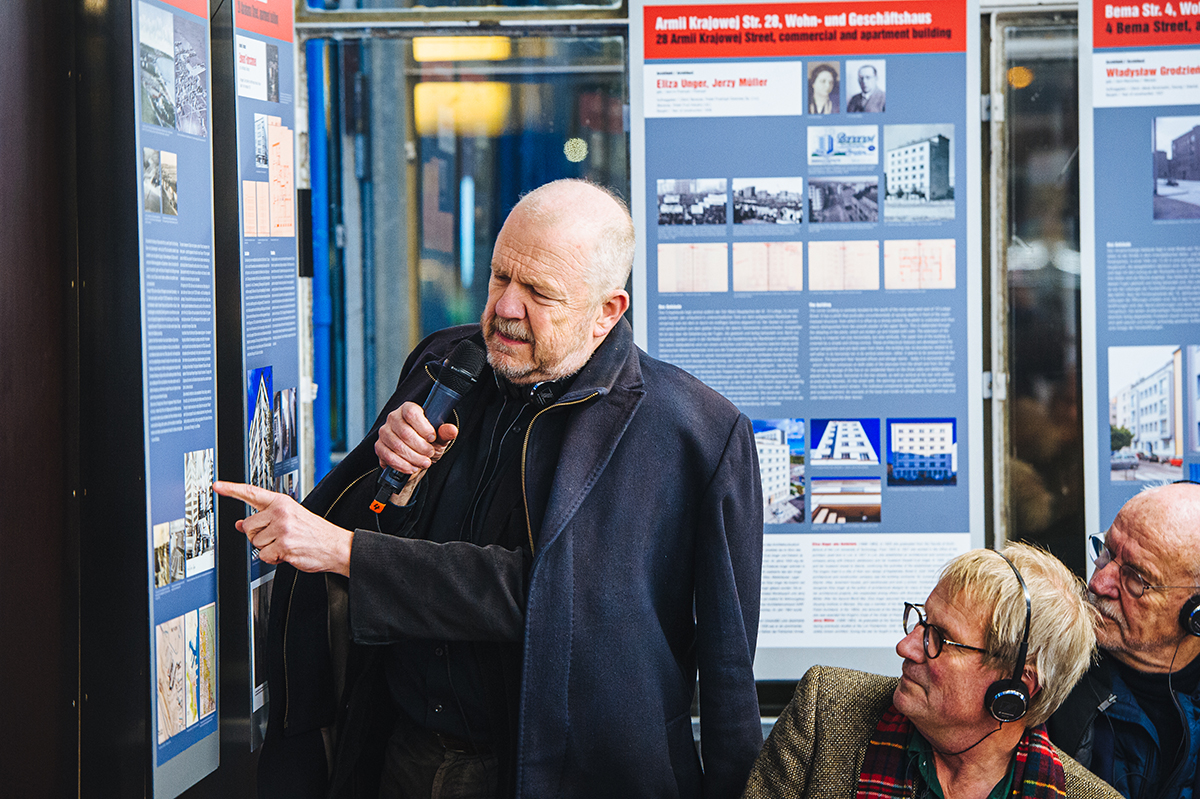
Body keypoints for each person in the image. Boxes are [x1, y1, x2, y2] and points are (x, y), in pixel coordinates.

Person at [216, 179, 764, 799]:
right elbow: (379, 520)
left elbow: (560, 597)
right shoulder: (448, 362)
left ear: (606, 313)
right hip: (403, 754)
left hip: (574, 777)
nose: (506, 307)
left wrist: (348, 551)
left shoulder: (691, 434)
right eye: (502, 277)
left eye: (538, 293)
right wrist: (396, 486)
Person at [742, 543, 1120, 799]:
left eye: (940, 638)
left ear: (1014, 688)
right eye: (921, 621)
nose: (905, 647)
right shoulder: (825, 713)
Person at [1046, 482, 1200, 799]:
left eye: (1135, 578)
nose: (1099, 582)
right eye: (1106, 552)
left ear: (1194, 614)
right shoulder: (1049, 678)